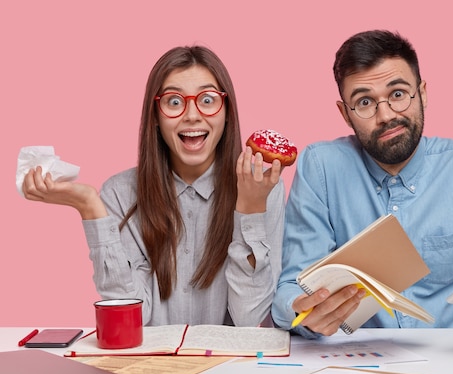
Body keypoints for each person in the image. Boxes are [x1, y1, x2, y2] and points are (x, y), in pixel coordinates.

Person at [271, 30, 453, 340]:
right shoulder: (320, 168)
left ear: (422, 94)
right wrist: (303, 310)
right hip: (360, 366)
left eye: (398, 94)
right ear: (346, 114)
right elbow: (291, 289)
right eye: (365, 101)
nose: (386, 116)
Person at [22, 46, 286, 327]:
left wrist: (249, 209)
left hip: (230, 367)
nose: (192, 115)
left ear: (227, 112)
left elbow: (250, 320)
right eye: (174, 102)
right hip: (153, 367)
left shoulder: (263, 187)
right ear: (156, 118)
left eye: (207, 100)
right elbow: (131, 319)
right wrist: (89, 207)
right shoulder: (120, 193)